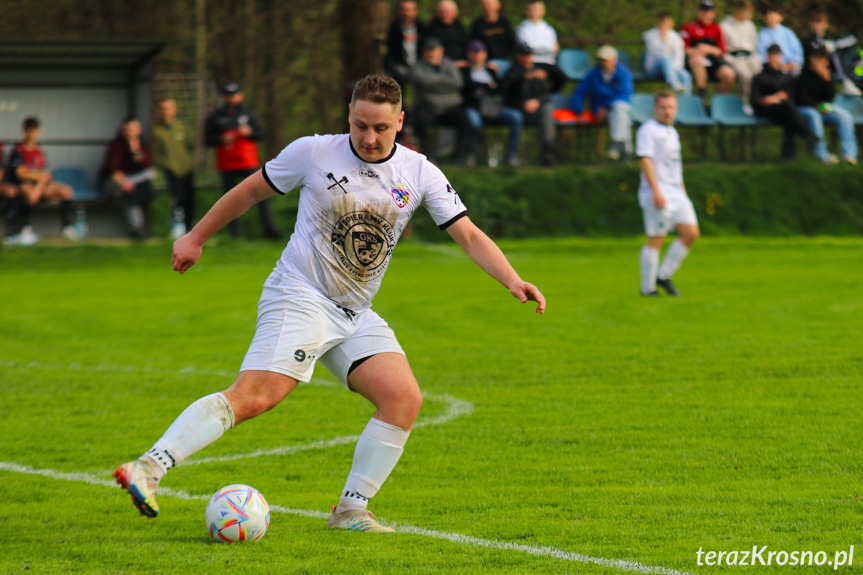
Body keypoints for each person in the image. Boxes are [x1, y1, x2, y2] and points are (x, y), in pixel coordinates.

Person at [113, 74, 546, 534]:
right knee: (256, 396)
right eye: (360, 125)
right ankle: (149, 467)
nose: (369, 137)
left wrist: (512, 280)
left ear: (400, 121)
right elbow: (249, 191)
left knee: (402, 399)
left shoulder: (420, 173)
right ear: (349, 117)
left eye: (381, 127)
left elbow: (469, 234)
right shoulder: (314, 152)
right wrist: (196, 237)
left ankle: (350, 510)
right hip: (299, 295)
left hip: (354, 311)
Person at [635, 90, 699, 297]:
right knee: (656, 238)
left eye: (671, 107)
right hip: (658, 190)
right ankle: (647, 288)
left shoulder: (672, 131)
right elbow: (645, 159)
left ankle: (663, 275)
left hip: (676, 192)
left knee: (691, 233)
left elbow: (675, 165)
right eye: (663, 107)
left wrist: (682, 191)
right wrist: (656, 191)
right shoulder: (648, 129)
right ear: (655, 109)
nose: (667, 111)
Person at [205, 83, 281, 239]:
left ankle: (268, 229)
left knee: (262, 195)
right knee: (230, 199)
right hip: (227, 165)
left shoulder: (249, 113)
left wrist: (250, 132)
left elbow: (261, 133)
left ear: (241, 96)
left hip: (248, 162)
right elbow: (207, 140)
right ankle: (234, 234)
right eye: (228, 95)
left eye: (235, 95)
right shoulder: (215, 116)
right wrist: (221, 138)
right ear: (224, 97)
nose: (232, 98)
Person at [2, 117, 76, 244]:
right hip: (23, 186)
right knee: (32, 196)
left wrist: (40, 178)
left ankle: (67, 227)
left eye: (34, 131)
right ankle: (25, 227)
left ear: (38, 131)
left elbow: (45, 172)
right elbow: (21, 173)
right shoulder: (17, 150)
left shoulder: (39, 151)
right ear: (24, 131)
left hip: (40, 185)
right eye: (29, 131)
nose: (32, 134)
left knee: (66, 191)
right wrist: (39, 177)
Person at [410, 37, 474, 164]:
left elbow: (458, 82)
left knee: (465, 120)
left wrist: (432, 83)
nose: (432, 53)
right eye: (428, 50)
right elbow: (421, 80)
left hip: (450, 109)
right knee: (420, 121)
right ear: (424, 52)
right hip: (428, 108)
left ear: (441, 51)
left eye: (434, 50)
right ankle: (428, 158)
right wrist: (444, 82)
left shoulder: (449, 64)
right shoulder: (418, 66)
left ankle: (459, 158)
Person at [462, 39, 524, 167]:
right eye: (474, 52)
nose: (477, 55)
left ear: (485, 54)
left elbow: (501, 88)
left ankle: (512, 155)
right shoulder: (464, 71)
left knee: (516, 117)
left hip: (494, 107)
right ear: (469, 54)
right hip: (474, 108)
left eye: (480, 52)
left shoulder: (491, 71)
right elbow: (467, 88)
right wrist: (489, 86)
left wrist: (481, 89)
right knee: (474, 121)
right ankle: (471, 155)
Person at [751, 44, 817, 160]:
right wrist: (769, 99)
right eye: (772, 56)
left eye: (777, 56)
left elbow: (792, 96)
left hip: (783, 109)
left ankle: (788, 157)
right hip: (765, 109)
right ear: (767, 57)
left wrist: (781, 98)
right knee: (788, 109)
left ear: (780, 57)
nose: (774, 59)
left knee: (788, 115)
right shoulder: (759, 77)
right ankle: (807, 134)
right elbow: (754, 99)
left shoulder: (786, 77)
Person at [570, 45, 634, 161]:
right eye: (601, 60)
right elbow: (579, 93)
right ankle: (624, 152)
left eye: (606, 60)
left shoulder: (623, 74)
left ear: (614, 60)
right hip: (599, 114)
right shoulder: (592, 74)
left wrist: (606, 105)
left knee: (620, 110)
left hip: (616, 110)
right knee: (623, 114)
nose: (603, 63)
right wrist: (579, 112)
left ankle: (617, 143)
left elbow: (625, 95)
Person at [796, 47, 858, 165]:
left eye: (821, 59)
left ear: (826, 62)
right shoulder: (804, 75)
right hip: (807, 109)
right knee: (814, 116)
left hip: (823, 108)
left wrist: (827, 80)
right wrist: (815, 106)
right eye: (816, 58)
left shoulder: (827, 76)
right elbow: (801, 98)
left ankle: (849, 154)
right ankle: (822, 154)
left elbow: (830, 98)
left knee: (845, 116)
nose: (818, 62)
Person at [100, 117, 157, 240]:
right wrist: (124, 183)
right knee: (131, 193)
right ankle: (136, 230)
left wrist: (135, 151)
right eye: (127, 130)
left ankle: (135, 230)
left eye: (132, 130)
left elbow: (145, 166)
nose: (129, 133)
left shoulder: (142, 145)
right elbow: (114, 171)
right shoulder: (116, 146)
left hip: (133, 184)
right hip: (113, 184)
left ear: (139, 130)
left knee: (133, 194)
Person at [503, 43, 556, 167]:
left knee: (547, 109)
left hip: (534, 110)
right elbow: (508, 89)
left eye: (528, 55)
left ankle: (548, 150)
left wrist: (537, 101)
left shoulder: (537, 71)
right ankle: (512, 155)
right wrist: (527, 77)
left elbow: (546, 95)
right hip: (517, 109)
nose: (526, 58)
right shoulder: (513, 71)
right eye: (523, 55)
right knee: (516, 117)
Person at [152, 98, 196, 239]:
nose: (166, 111)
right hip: (171, 171)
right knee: (178, 198)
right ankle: (177, 225)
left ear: (175, 109)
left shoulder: (182, 128)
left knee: (190, 199)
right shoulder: (157, 131)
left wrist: (188, 163)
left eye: (169, 108)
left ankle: (192, 229)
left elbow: (191, 146)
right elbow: (156, 153)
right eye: (163, 108)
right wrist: (168, 165)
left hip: (187, 170)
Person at [680, 0, 737, 102]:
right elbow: (683, 50)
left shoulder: (717, 29)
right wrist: (698, 51)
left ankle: (720, 102)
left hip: (713, 60)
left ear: (713, 13)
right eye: (704, 11)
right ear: (698, 12)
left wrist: (709, 49)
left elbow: (722, 51)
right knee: (697, 60)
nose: (706, 14)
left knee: (729, 74)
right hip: (694, 61)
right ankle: (702, 95)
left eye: (709, 11)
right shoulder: (688, 27)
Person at [802, 9, 862, 97]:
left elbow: (851, 40)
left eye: (819, 23)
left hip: (829, 73)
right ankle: (844, 80)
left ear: (825, 25)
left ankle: (847, 80)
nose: (817, 26)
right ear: (810, 24)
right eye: (815, 22)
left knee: (839, 50)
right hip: (813, 75)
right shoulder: (807, 41)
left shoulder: (828, 40)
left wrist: (834, 46)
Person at [720, 0, 763, 115]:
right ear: (739, 11)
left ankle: (758, 102)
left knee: (759, 73)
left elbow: (754, 45)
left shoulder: (750, 25)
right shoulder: (725, 25)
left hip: (750, 57)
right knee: (745, 75)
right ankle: (744, 103)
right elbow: (724, 47)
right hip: (734, 57)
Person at [514, 1, 566, 92]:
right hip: (532, 62)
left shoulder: (549, 29)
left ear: (543, 11)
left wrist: (539, 49)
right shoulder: (522, 29)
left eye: (536, 10)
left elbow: (554, 48)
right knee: (537, 80)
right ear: (527, 11)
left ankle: (548, 97)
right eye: (531, 10)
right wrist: (546, 49)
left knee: (562, 78)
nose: (534, 13)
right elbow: (527, 49)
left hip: (548, 62)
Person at [643, 12, 692, 95]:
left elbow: (679, 56)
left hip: (673, 68)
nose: (663, 25)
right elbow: (657, 54)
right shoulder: (649, 35)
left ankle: (686, 98)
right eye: (661, 22)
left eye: (665, 22)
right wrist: (663, 37)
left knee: (686, 76)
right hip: (654, 68)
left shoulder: (676, 37)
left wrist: (673, 68)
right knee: (665, 59)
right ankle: (673, 83)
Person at [385, 0, 428, 87]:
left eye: (409, 10)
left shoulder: (422, 28)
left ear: (415, 11)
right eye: (403, 10)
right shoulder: (394, 28)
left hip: (420, 64)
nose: (406, 13)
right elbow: (392, 51)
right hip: (400, 65)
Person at [756, 5, 803, 76]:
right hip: (770, 65)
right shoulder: (762, 34)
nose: (770, 17)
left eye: (773, 14)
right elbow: (760, 54)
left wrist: (792, 63)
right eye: (768, 15)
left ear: (780, 17)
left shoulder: (788, 32)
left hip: (789, 65)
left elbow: (798, 52)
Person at [426, 0, 469, 67]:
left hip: (461, 62)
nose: (444, 14)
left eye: (448, 12)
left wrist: (465, 60)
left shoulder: (459, 26)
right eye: (442, 11)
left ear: (455, 13)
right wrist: (451, 64)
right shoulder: (432, 27)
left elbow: (466, 44)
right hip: (441, 64)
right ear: (437, 13)